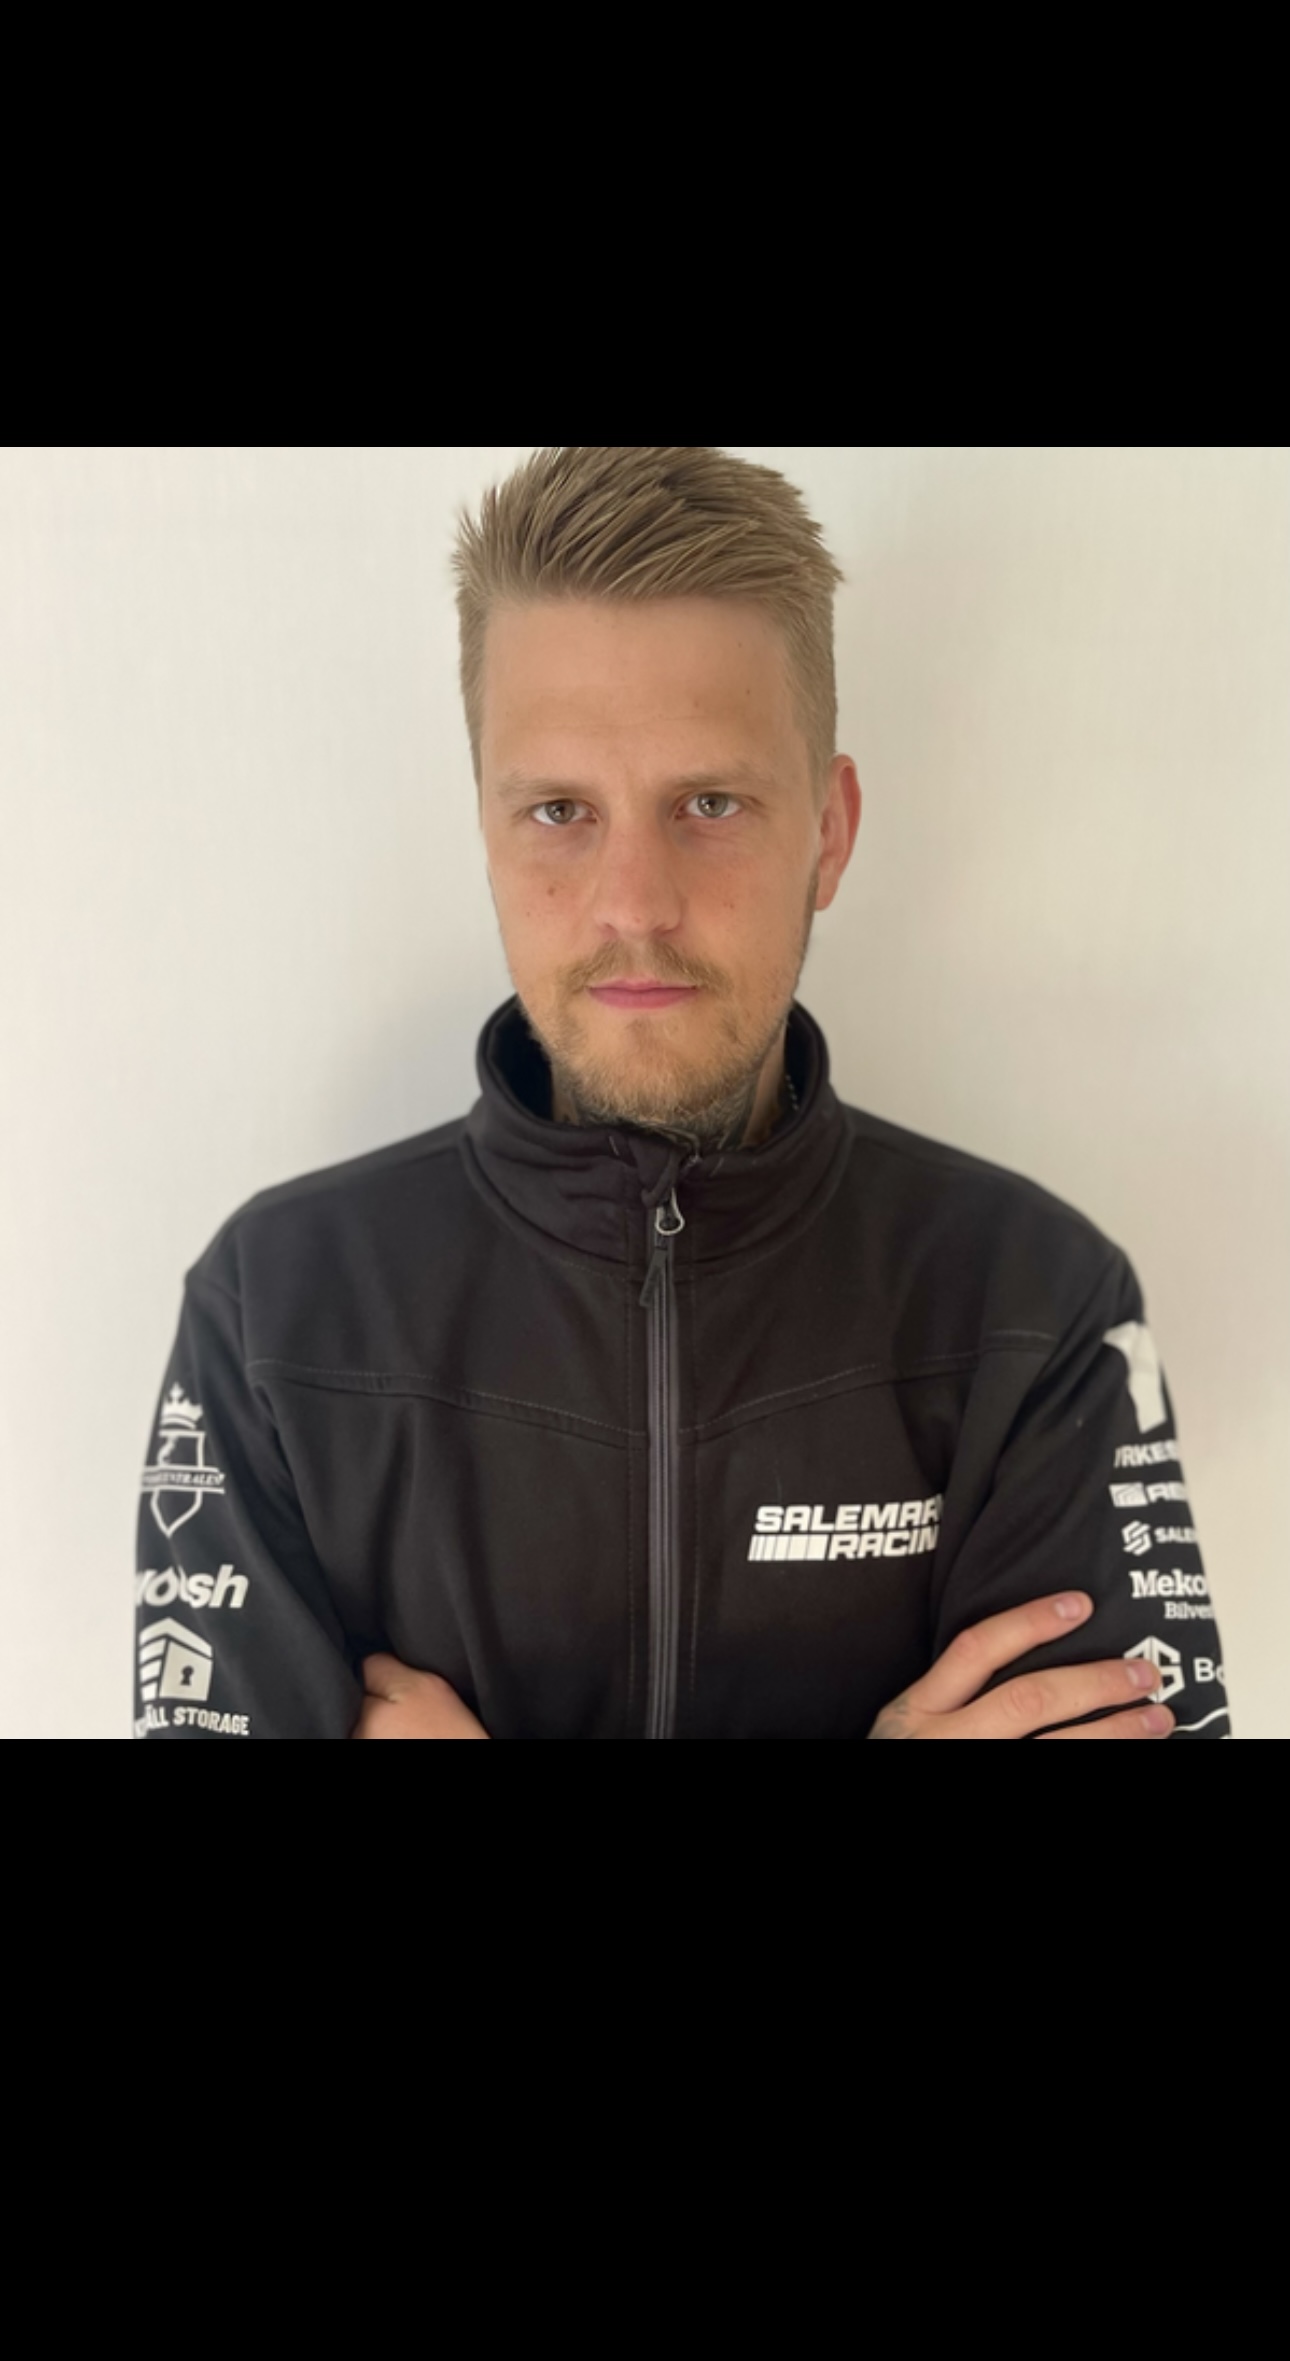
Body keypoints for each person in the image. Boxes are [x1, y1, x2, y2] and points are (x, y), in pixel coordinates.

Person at [134, 447, 1230, 1740]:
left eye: (709, 802)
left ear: (828, 830)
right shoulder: (278, 1313)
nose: (634, 905)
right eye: (559, 810)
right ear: (485, 829)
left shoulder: (1034, 1309)